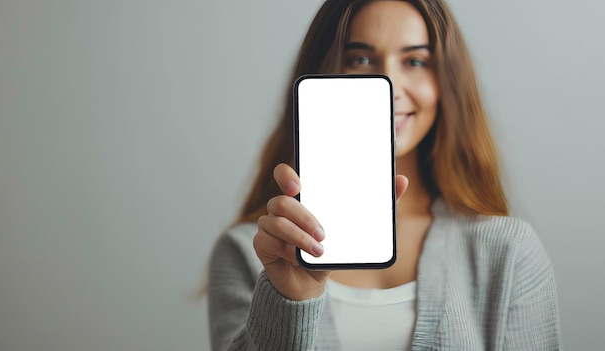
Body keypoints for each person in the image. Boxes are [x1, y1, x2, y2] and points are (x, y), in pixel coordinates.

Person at [207, 0, 562, 350]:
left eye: (415, 61)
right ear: (321, 73)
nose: (390, 83)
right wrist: (290, 301)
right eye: (359, 59)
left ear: (446, 83)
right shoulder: (249, 252)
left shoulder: (509, 250)